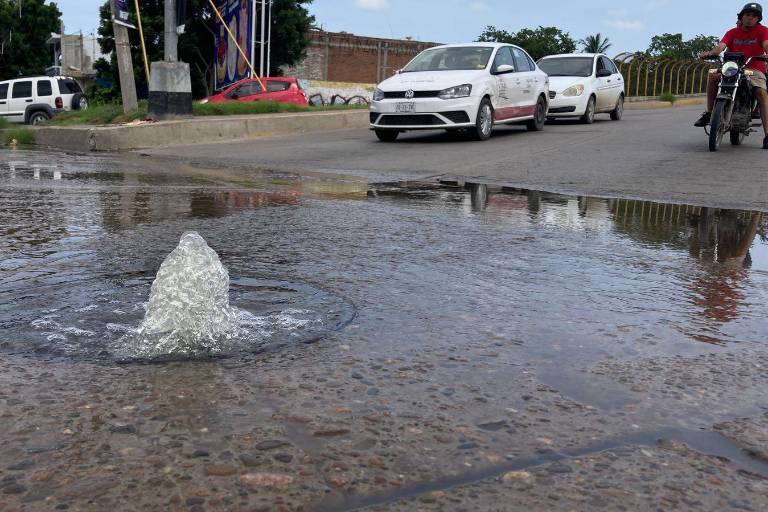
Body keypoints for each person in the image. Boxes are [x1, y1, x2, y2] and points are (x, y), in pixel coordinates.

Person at [694, 3, 768, 149]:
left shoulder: (763, 31)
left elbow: (766, 44)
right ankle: (709, 113)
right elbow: (720, 47)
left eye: (754, 16)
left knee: (761, 92)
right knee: (713, 75)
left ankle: (767, 135)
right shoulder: (732, 32)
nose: (750, 18)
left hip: (753, 69)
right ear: (742, 17)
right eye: (747, 15)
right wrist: (711, 53)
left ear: (758, 19)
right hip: (731, 68)